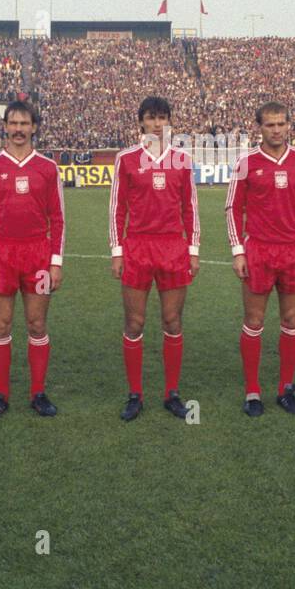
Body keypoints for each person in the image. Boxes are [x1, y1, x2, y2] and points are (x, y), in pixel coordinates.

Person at [225, 102, 295, 416]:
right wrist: (238, 250)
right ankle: (252, 391)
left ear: (289, 125)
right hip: (259, 250)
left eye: (281, 124)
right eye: (270, 125)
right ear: (259, 127)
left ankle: (285, 389)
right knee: (254, 321)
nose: (277, 130)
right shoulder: (246, 161)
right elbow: (233, 208)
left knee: (291, 321)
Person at [109, 95, 200, 421]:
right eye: (151, 118)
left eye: (163, 117)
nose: (158, 124)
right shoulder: (127, 159)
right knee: (134, 323)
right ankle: (135, 394)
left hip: (173, 248)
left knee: (172, 321)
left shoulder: (182, 159)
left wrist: (193, 249)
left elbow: (190, 208)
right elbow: (117, 208)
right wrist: (117, 250)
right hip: (138, 248)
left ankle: (171, 393)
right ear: (142, 122)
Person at [0, 101, 64, 419]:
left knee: (37, 324)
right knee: (1, 325)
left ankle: (38, 393)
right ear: (5, 127)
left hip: (38, 253)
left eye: (25, 124)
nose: (19, 129)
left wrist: (56, 261)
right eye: (13, 123)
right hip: (2, 255)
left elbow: (58, 218)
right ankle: (1, 395)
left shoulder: (48, 168)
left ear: (34, 127)